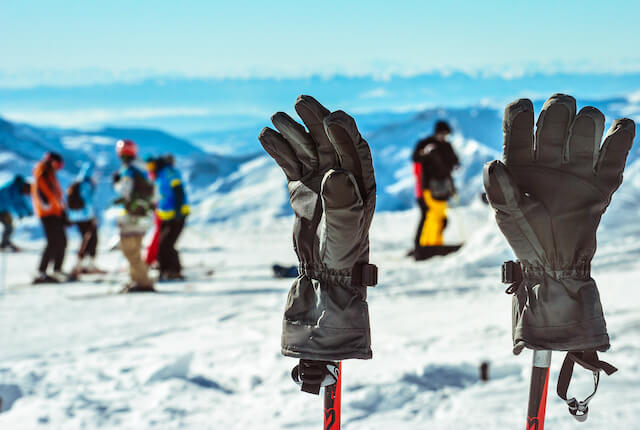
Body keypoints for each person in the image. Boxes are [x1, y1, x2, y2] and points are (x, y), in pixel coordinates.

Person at [411, 120, 460, 260]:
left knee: (438, 217)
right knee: (432, 216)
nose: (444, 137)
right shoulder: (426, 144)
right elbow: (416, 158)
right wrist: (425, 153)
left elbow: (455, 161)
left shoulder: (446, 146)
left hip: (443, 188)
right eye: (443, 133)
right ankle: (426, 245)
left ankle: (433, 244)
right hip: (428, 188)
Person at [113, 139, 155, 293]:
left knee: (129, 250)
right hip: (144, 215)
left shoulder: (128, 170)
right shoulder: (144, 170)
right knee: (134, 249)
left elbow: (125, 191)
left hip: (132, 215)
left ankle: (143, 282)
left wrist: (116, 184)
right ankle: (137, 279)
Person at [147, 154, 190, 280]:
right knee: (162, 244)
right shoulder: (159, 175)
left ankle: (173, 270)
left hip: (177, 216)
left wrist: (178, 211)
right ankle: (165, 270)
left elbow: (178, 191)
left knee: (166, 244)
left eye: (151, 166)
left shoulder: (169, 172)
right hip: (166, 216)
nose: (149, 168)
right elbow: (160, 194)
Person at [32, 152, 68, 283]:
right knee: (53, 242)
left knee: (62, 241)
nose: (58, 168)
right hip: (48, 214)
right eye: (57, 165)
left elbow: (57, 196)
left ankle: (56, 269)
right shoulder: (42, 173)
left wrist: (62, 211)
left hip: (55, 214)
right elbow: (46, 196)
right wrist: (54, 209)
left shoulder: (50, 175)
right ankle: (41, 271)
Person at [67, 162, 104, 277]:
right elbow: (88, 201)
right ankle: (85, 264)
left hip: (77, 216)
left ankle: (81, 264)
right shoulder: (86, 184)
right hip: (86, 216)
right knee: (92, 239)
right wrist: (93, 216)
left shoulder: (78, 182)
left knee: (85, 239)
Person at [0, 174, 33, 252]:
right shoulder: (14, 189)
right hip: (1, 209)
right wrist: (22, 213)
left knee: (9, 225)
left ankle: (5, 242)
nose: (27, 194)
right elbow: (16, 203)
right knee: (9, 226)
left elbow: (20, 202)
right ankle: (5, 243)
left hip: (3, 209)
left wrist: (26, 211)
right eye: (27, 192)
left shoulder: (16, 188)